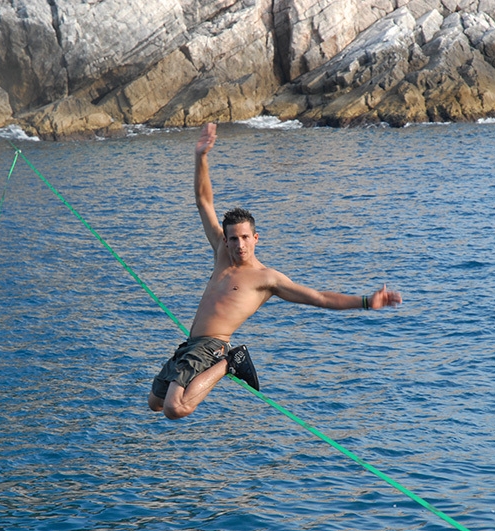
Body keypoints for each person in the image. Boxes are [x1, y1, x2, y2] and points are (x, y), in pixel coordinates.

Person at [148, 123, 402, 420]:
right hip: (191, 345)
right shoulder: (221, 254)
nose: (239, 245)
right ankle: (225, 363)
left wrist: (365, 302)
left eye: (245, 238)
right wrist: (201, 156)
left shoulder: (267, 279)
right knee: (155, 401)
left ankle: (231, 363)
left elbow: (318, 297)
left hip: (212, 346)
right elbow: (204, 201)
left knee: (175, 408)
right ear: (226, 240)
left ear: (255, 238)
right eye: (233, 239)